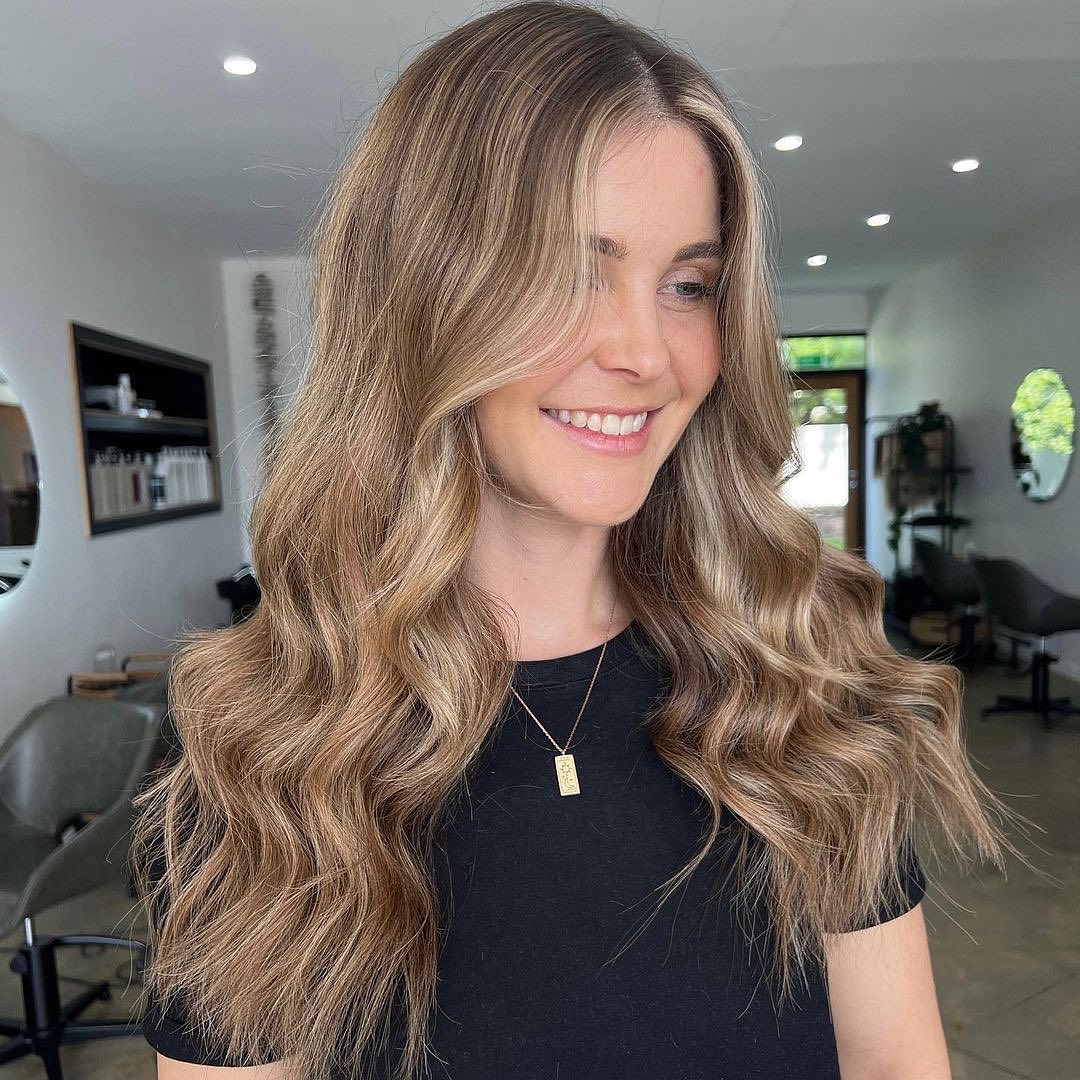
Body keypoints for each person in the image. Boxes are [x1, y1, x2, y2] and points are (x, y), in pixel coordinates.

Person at [129, 3, 1028, 1078]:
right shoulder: (270, 757)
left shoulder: (799, 687)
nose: (646, 352)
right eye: (568, 272)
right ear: (419, 297)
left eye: (688, 286)